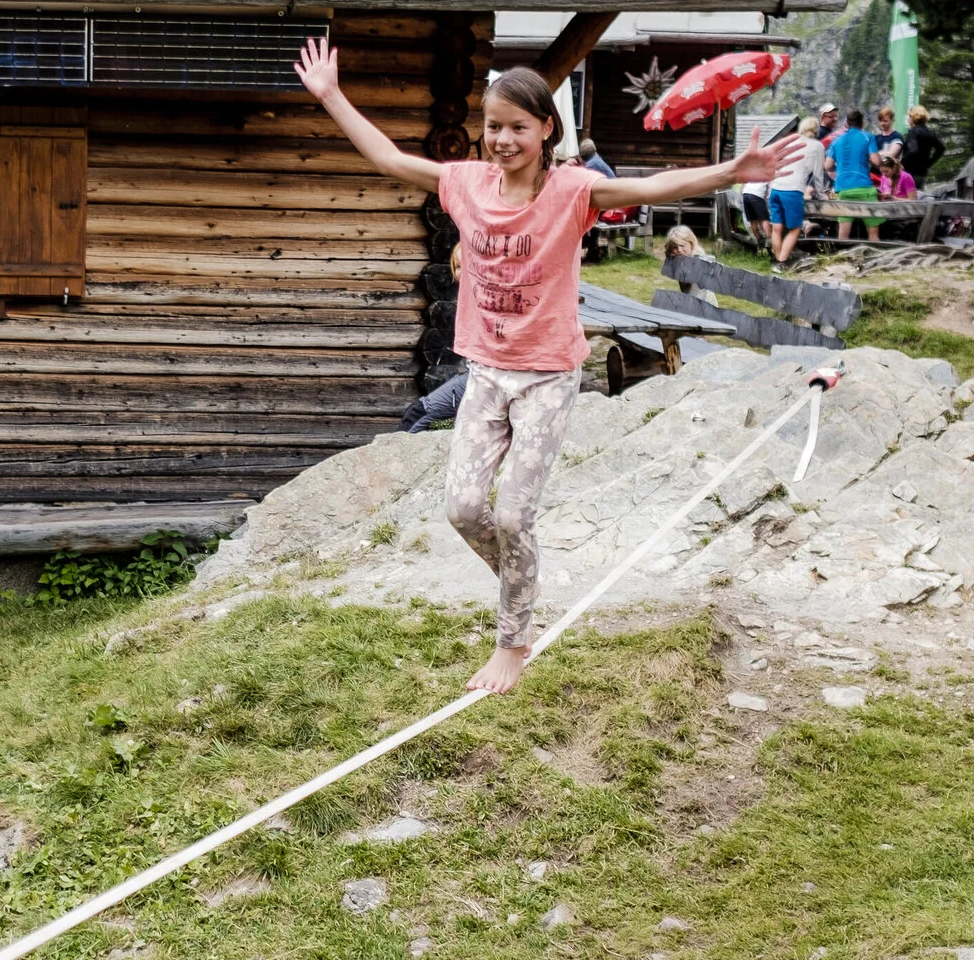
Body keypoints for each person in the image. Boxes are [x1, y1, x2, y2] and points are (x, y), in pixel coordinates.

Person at [293, 38, 801, 694]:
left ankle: (514, 640)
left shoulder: (571, 191)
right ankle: (519, 585)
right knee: (463, 508)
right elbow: (390, 158)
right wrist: (332, 94)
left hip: (548, 377)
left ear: (546, 131)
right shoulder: (465, 184)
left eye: (516, 128)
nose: (502, 140)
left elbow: (648, 185)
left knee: (512, 518)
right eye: (492, 128)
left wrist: (729, 173)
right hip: (486, 372)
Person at [767, 118, 823, 272]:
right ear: (816, 130)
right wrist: (822, 196)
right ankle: (781, 263)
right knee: (795, 229)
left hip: (776, 188)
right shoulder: (817, 146)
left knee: (777, 228)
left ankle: (778, 263)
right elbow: (818, 175)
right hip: (793, 190)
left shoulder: (791, 141)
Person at [827, 109, 881, 240]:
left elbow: (827, 166)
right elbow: (876, 161)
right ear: (862, 123)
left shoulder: (836, 141)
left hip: (843, 190)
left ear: (847, 124)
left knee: (843, 234)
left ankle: (840, 258)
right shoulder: (868, 137)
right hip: (865, 190)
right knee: (873, 233)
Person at [662, 226, 719, 305]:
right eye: (675, 247)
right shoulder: (681, 258)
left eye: (682, 245)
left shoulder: (698, 256)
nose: (679, 250)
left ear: (691, 243)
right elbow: (684, 287)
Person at [900, 105, 945, 184]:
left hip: (909, 172)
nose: (909, 120)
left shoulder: (913, 132)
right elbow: (941, 148)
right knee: (918, 195)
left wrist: (901, 163)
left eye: (910, 117)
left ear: (913, 118)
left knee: (906, 195)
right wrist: (929, 163)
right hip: (922, 173)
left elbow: (912, 150)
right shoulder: (930, 132)